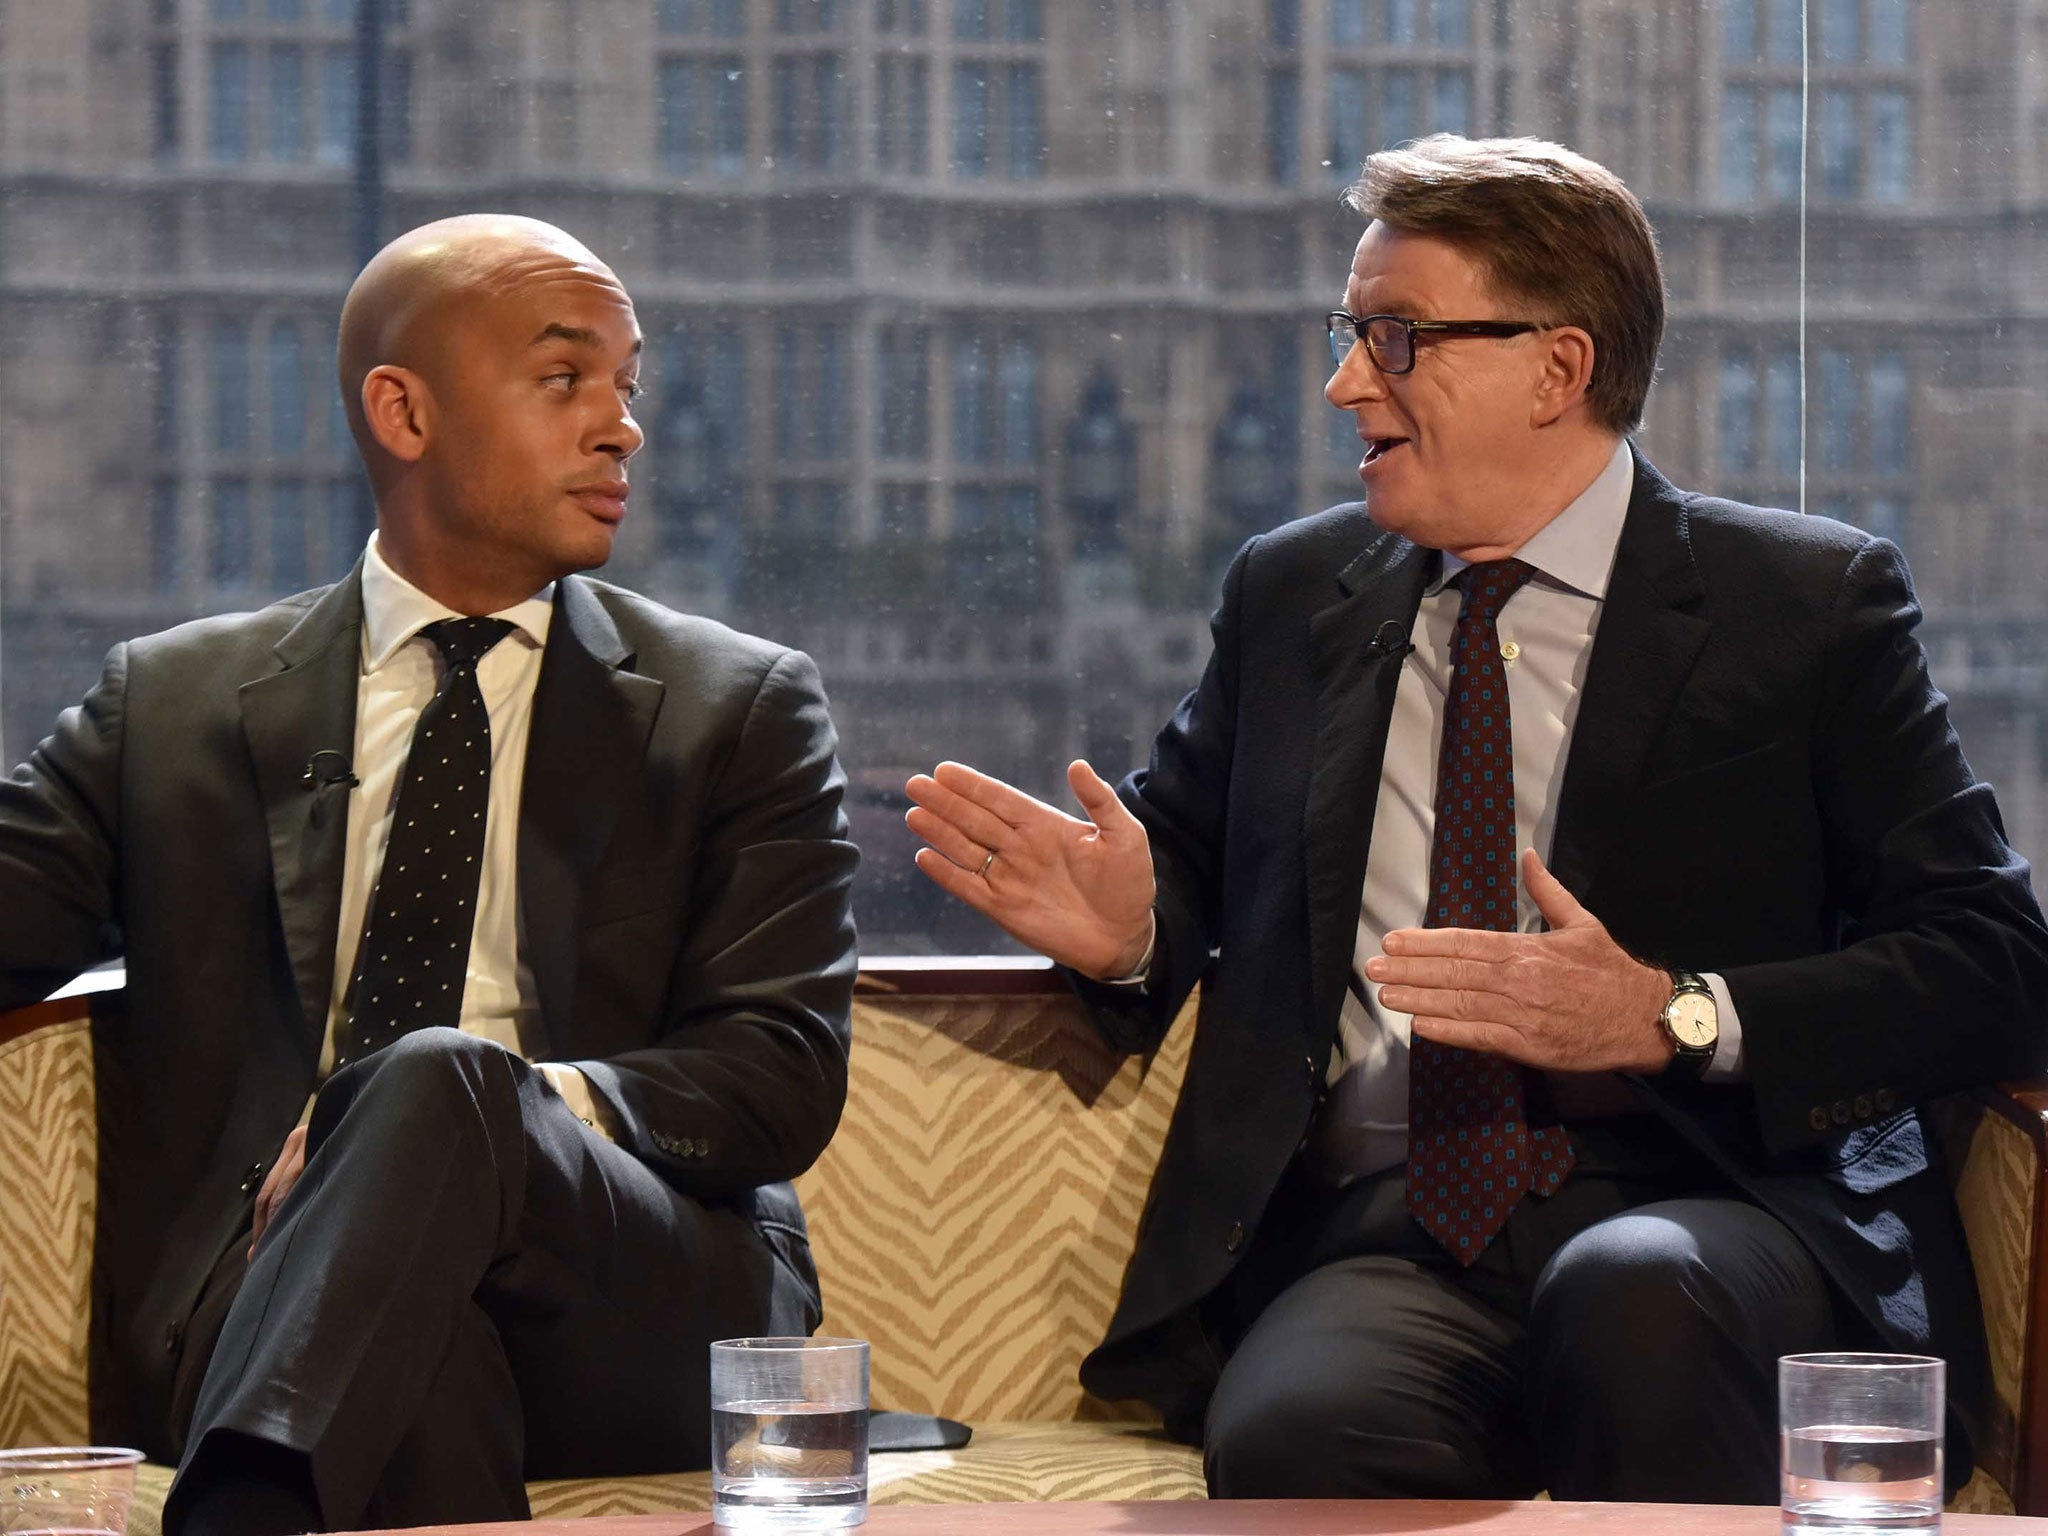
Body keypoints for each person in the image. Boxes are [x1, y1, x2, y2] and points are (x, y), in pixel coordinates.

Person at [905, 136, 2048, 1503]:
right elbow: (1183, 874)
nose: (1343, 385)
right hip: (1393, 1235)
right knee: (1291, 1431)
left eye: (1394, 339)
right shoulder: (1293, 595)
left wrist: (1672, 1015)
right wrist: (1130, 929)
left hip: (1710, 1203)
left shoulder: (1805, 606)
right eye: (1348, 335)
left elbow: (1996, 961)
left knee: (1633, 1306)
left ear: (1557, 368)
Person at [0, 214, 858, 1534]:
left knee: (439, 1078)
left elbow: (781, 1074)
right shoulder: (170, 708)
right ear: (403, 412)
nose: (622, 428)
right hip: (272, 1296)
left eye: (628, 387)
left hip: (635, 1298)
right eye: (567, 381)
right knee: (417, 1358)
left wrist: (518, 1103)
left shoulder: (736, 708)